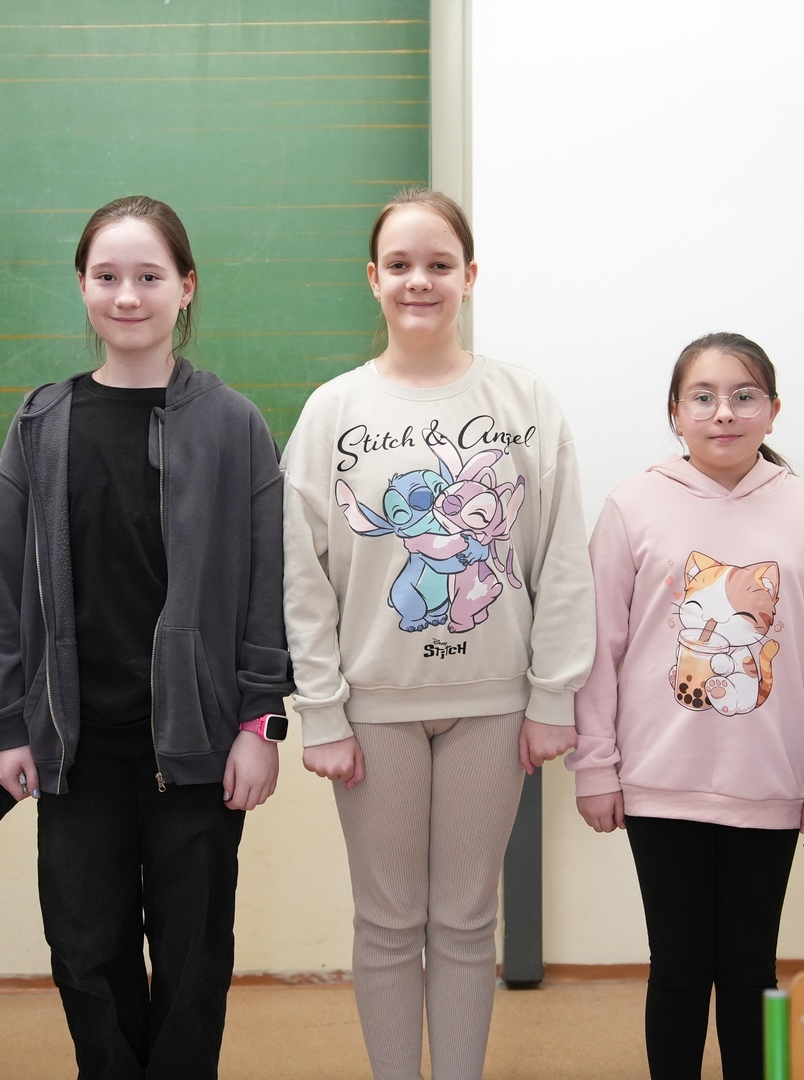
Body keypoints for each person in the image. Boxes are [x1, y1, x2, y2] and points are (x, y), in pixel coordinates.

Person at [0, 194, 292, 1079]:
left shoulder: (233, 424)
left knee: (193, 958)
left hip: (197, 742)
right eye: (106, 276)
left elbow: (267, 588)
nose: (126, 296)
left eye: (149, 276)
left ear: (185, 287)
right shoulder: (41, 424)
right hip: (76, 742)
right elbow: (5, 591)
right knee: (86, 953)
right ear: (81, 285)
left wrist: (261, 722)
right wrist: (8, 725)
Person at [281, 188, 595, 1080]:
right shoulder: (332, 410)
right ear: (372, 278)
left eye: (439, 264)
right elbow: (301, 576)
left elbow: (561, 557)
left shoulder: (524, 401)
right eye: (401, 265)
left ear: (470, 275)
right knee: (387, 924)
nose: (419, 281)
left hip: (494, 708)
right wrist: (322, 713)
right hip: (372, 709)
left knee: (465, 922)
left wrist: (554, 696)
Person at [568, 332, 804, 1080]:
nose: (723, 412)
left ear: (773, 410)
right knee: (679, 965)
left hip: (771, 783)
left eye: (743, 396)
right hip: (660, 782)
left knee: (751, 967)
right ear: (675, 412)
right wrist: (595, 765)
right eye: (703, 397)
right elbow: (597, 646)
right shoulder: (633, 505)